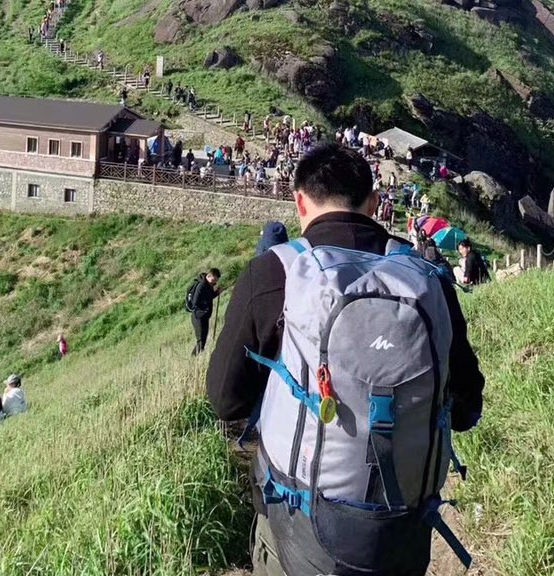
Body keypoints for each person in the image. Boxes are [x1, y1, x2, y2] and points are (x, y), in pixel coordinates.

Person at [207, 145, 484, 576]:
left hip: (298, 526)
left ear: (300, 201)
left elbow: (226, 400)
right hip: (402, 532)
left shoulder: (275, 272)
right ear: (373, 203)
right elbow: (467, 409)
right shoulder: (427, 279)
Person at [190, 268, 221, 355]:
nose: (214, 282)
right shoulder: (202, 286)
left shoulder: (208, 285)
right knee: (200, 340)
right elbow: (195, 302)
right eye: (213, 280)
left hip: (204, 316)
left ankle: (196, 357)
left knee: (203, 340)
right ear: (209, 276)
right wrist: (205, 308)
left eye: (216, 280)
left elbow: (209, 297)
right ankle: (194, 358)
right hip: (198, 316)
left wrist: (217, 293)